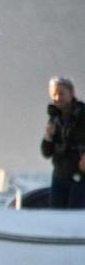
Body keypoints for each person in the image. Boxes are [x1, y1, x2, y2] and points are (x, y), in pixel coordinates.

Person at [41, 76, 85, 209]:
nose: (58, 97)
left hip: (80, 174)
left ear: (71, 93)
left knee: (76, 211)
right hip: (60, 174)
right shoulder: (54, 118)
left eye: (61, 93)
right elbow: (46, 152)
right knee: (56, 211)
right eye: (54, 94)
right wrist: (48, 136)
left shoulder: (82, 113)